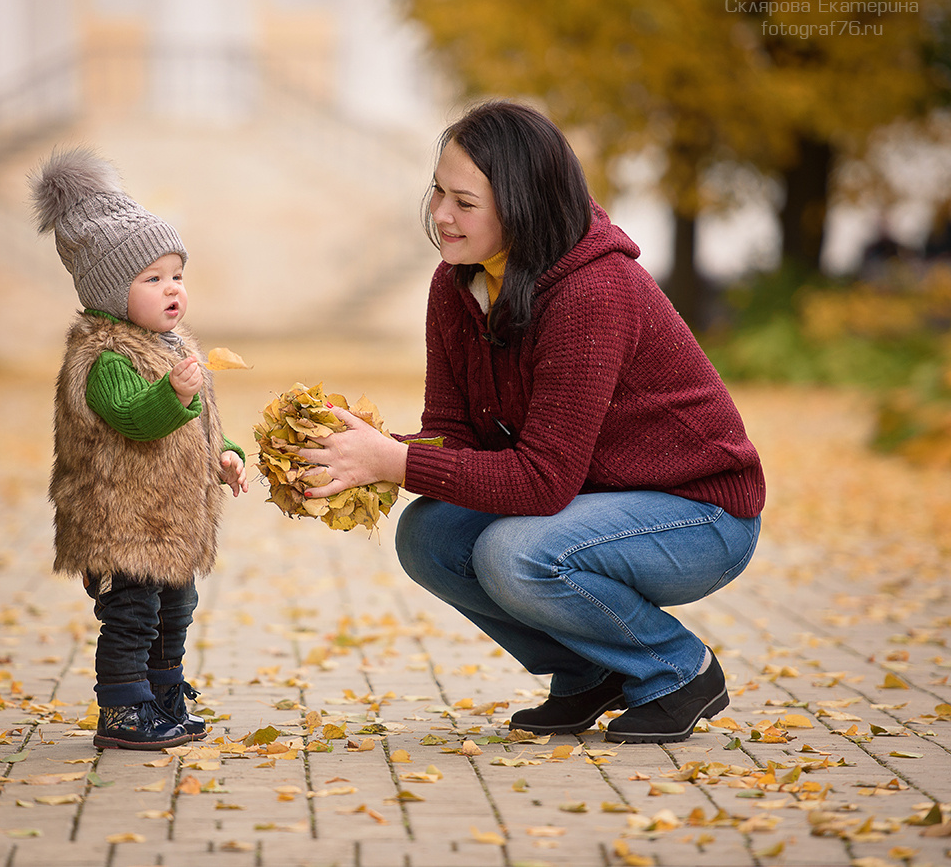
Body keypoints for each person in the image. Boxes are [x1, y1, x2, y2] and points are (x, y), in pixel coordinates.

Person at [302, 101, 765, 744]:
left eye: (464, 203)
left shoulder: (592, 292)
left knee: (514, 553)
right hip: (597, 500)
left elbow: (542, 483)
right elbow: (454, 435)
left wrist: (392, 460)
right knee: (428, 535)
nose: (440, 215)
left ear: (521, 206)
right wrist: (358, 450)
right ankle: (586, 673)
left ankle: (677, 669)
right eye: (438, 191)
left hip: (700, 514)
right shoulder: (455, 285)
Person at [31, 147, 249, 751]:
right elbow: (135, 418)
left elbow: (194, 424)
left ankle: (164, 693)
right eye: (151, 279)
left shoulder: (169, 343)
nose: (171, 289)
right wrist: (172, 394)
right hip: (120, 519)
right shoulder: (105, 356)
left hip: (170, 519)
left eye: (176, 275)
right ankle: (124, 710)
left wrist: (224, 451)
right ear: (109, 291)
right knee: (132, 616)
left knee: (175, 608)